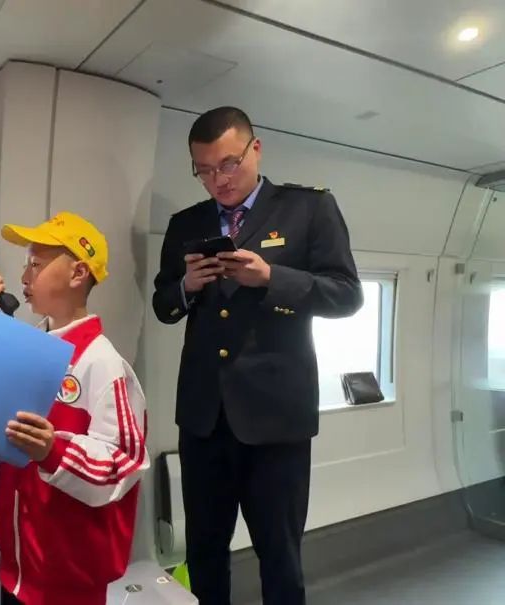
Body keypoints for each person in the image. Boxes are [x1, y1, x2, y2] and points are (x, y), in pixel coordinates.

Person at [152, 107, 363, 605]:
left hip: (277, 421)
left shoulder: (308, 208)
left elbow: (347, 295)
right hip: (204, 420)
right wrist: (187, 286)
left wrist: (272, 278)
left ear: (256, 149)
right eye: (204, 170)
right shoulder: (185, 224)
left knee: (280, 555)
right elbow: (163, 305)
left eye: (228, 164)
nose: (218, 180)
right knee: (204, 552)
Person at [0, 211, 150, 605]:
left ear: (78, 273)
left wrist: (53, 450)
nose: (23, 277)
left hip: (70, 574)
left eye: (36, 264)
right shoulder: (29, 350)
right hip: (18, 564)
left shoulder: (104, 364)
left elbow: (124, 463)